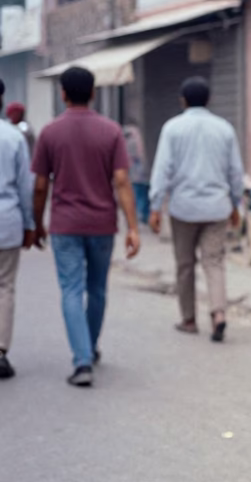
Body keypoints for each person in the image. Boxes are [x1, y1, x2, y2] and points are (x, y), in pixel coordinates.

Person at [31, 66, 140, 386]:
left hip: (64, 225)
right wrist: (133, 227)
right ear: (93, 93)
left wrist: (36, 224)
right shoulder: (110, 131)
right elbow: (122, 180)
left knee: (71, 289)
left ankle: (82, 361)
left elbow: (40, 186)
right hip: (102, 224)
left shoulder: (50, 132)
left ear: (63, 94)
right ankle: (89, 349)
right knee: (97, 289)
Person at [147, 77, 244, 342]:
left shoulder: (172, 128)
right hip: (216, 208)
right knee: (214, 262)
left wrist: (155, 206)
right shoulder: (224, 128)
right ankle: (218, 315)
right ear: (209, 100)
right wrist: (236, 204)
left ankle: (189, 319)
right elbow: (235, 171)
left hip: (183, 209)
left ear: (183, 100)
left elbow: (162, 169)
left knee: (185, 264)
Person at [0, 79, 36, 379]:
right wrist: (30, 224)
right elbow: (26, 187)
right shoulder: (13, 138)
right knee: (4, 287)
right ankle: (0, 351)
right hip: (6, 220)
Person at [122, 119, 150, 222]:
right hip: (138, 172)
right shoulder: (135, 137)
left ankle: (137, 215)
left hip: (129, 173)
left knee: (135, 195)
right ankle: (141, 215)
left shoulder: (124, 137)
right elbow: (139, 155)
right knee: (141, 194)